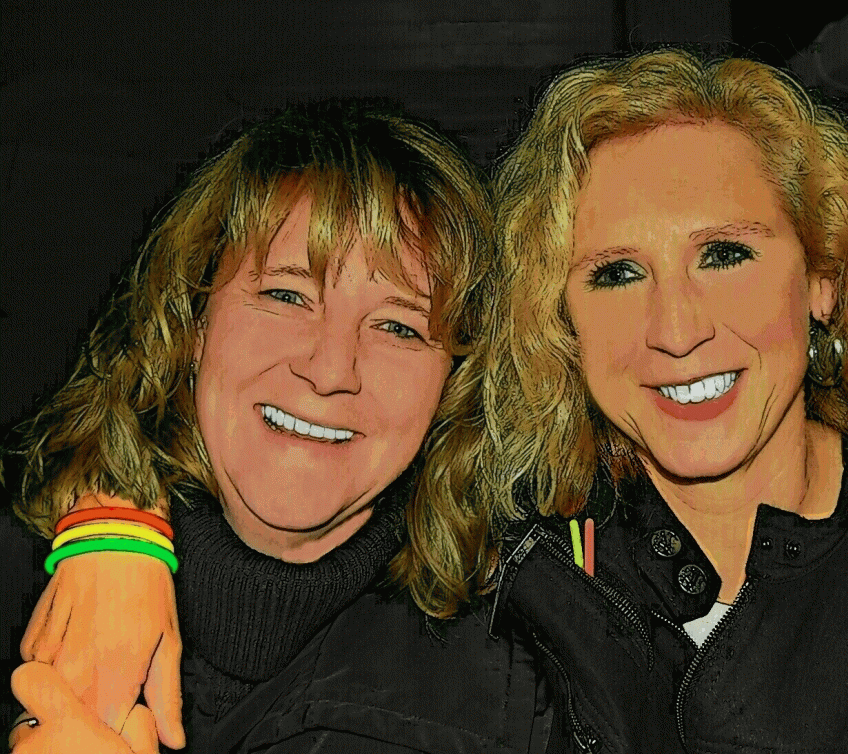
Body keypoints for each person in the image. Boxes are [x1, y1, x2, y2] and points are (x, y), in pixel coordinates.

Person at [477, 48, 848, 752]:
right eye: (618, 273)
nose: (677, 331)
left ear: (823, 278)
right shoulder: (502, 590)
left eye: (725, 255)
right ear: (559, 319)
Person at [5, 99, 546, 753]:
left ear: (452, 384)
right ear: (194, 322)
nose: (331, 369)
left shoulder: (517, 685)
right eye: (287, 295)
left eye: (398, 326)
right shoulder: (30, 574)